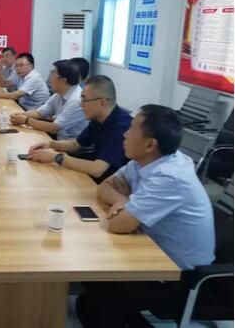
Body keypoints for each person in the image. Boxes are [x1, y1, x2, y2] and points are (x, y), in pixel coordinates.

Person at [76, 104, 215, 328]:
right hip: (153, 253)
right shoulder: (147, 160)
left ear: (150, 144)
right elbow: (104, 186)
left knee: (97, 287)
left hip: (179, 278)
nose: (125, 134)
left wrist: (125, 207)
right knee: (91, 296)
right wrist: (123, 200)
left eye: (131, 129)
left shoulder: (170, 176)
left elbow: (119, 225)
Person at [28, 75, 132, 183]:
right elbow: (75, 144)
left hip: (109, 184)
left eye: (84, 100)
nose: (81, 105)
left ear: (102, 102)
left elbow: (97, 169)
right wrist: (50, 144)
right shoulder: (99, 118)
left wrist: (56, 157)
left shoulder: (120, 127)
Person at [10, 59, 88, 140]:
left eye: (53, 73)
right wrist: (18, 115)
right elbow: (39, 113)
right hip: (60, 140)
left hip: (71, 145)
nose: (50, 78)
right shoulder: (58, 94)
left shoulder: (76, 100)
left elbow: (54, 128)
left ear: (63, 80)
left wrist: (26, 120)